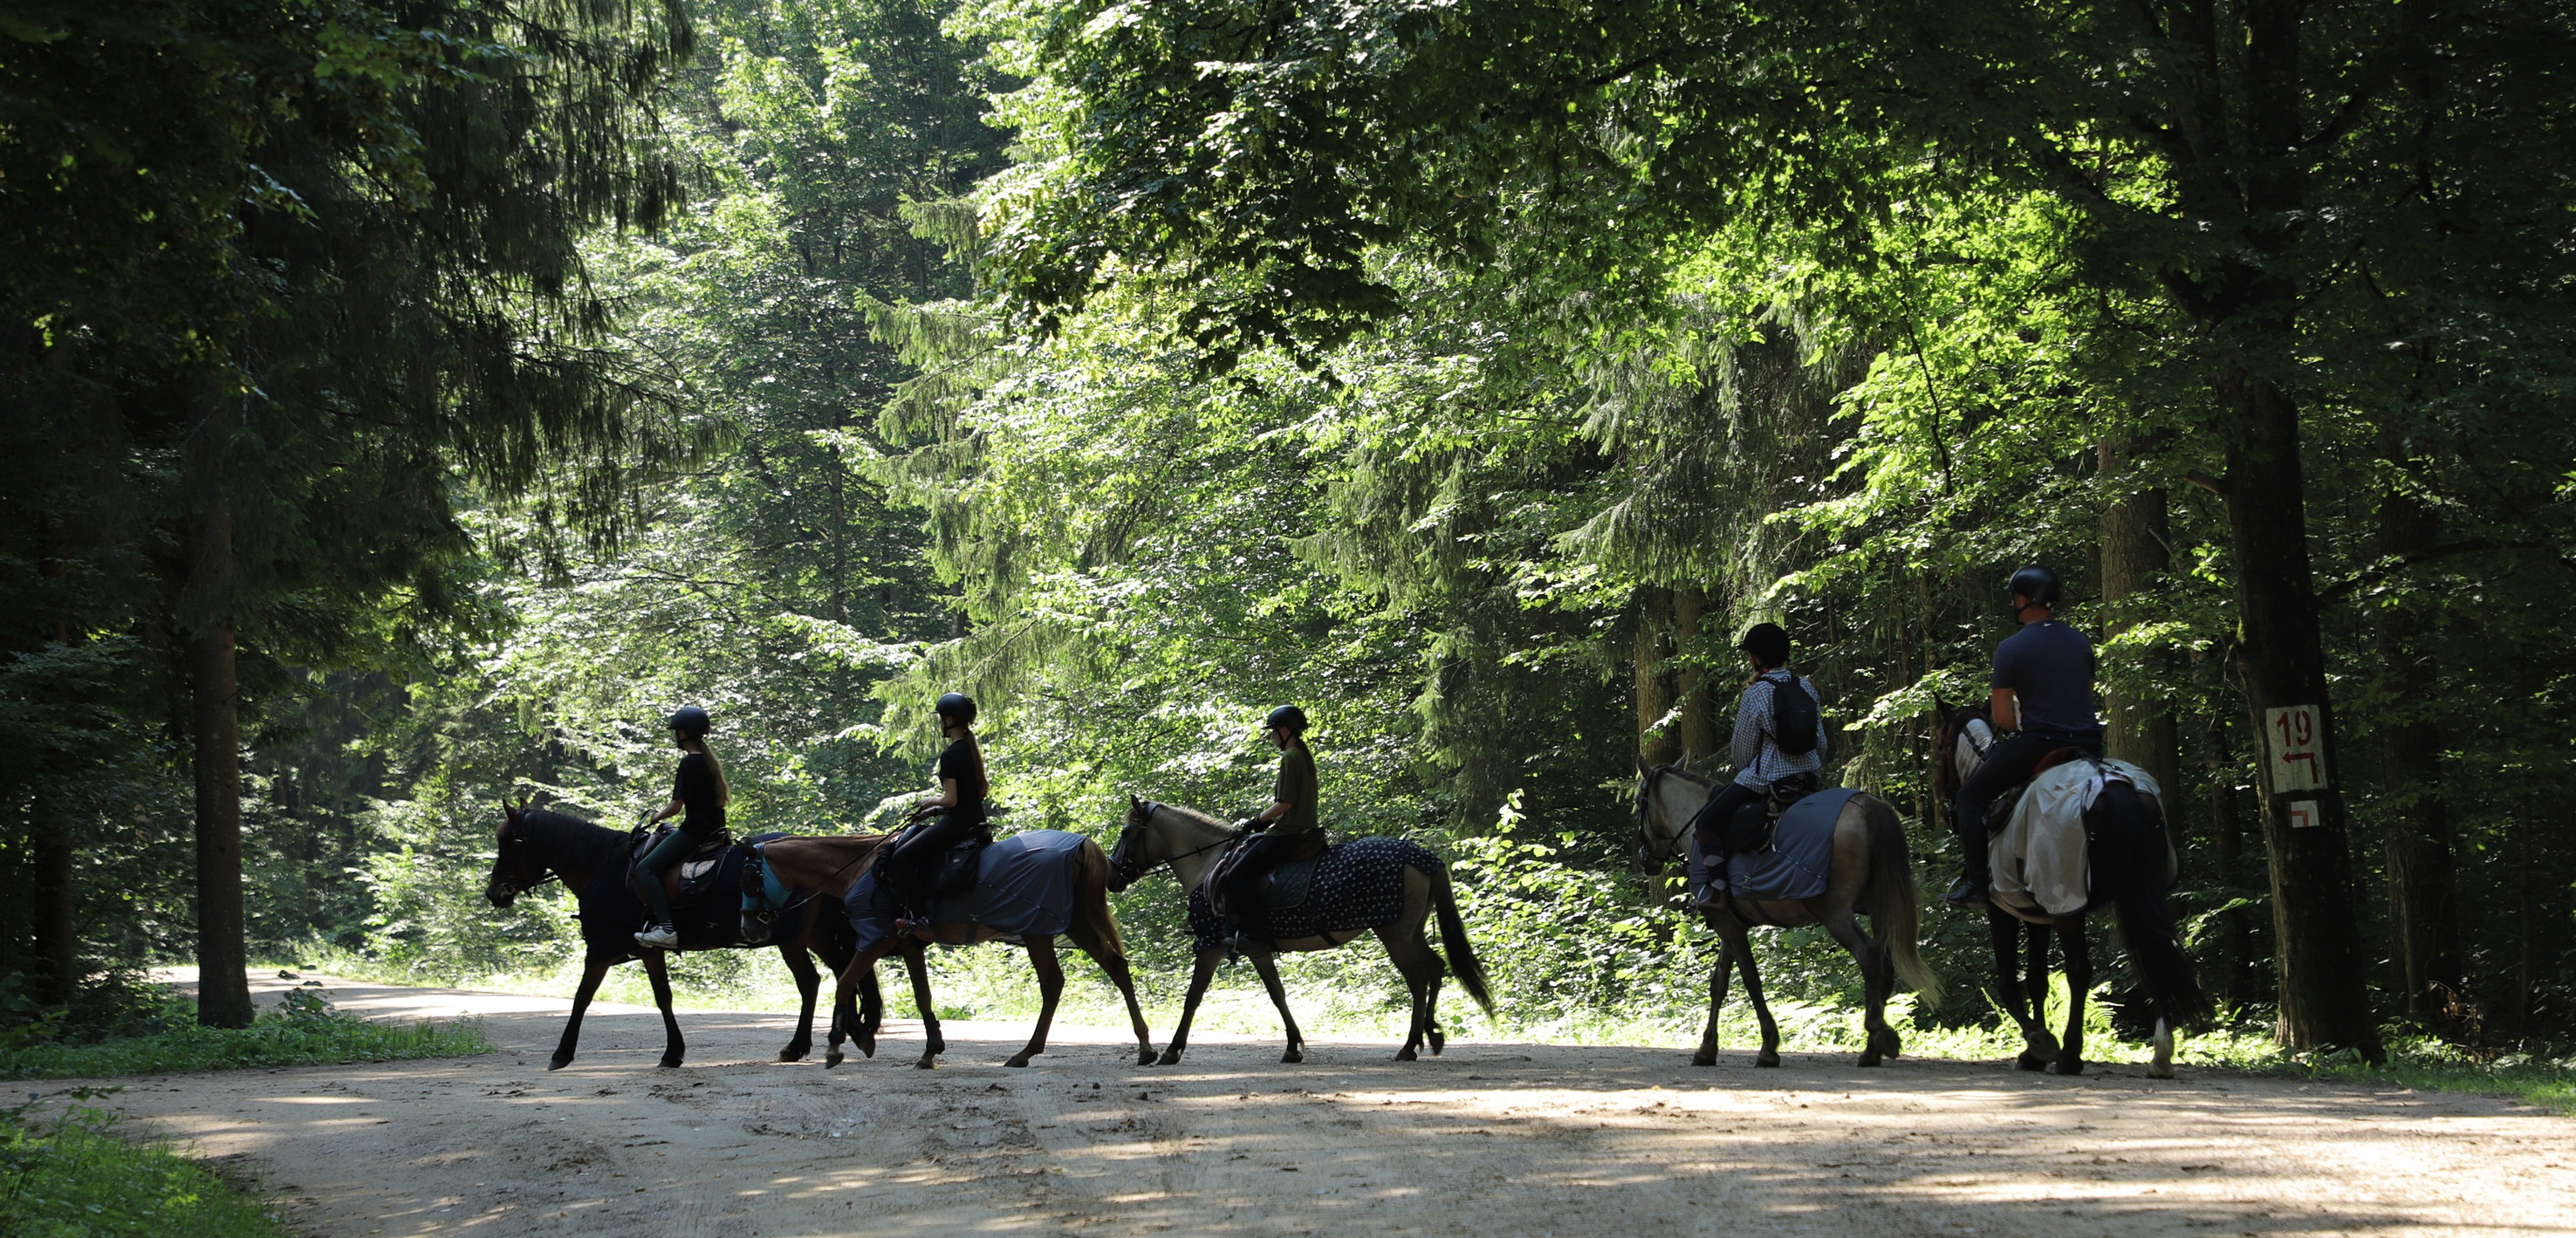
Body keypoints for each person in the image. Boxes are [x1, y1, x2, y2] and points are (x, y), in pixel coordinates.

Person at [1946, 564, 2107, 906]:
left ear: (2022, 599)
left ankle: (1977, 885)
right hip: (2090, 744)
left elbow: (2003, 717)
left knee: (1969, 799)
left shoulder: (2012, 648)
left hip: (2040, 744)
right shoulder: (2080, 641)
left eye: (2014, 598)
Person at [1688, 623, 1827, 908]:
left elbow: (1742, 753)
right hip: (1809, 776)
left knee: (1707, 822)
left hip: (1767, 780)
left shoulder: (1756, 694)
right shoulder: (1806, 686)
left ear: (1757, 657)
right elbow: (1821, 742)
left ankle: (1719, 893)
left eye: (1751, 654)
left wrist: (1754, 770)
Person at [1223, 705, 1325, 948]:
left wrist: (1256, 821)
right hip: (1303, 830)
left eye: (1273, 732)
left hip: (1289, 833)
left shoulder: (1291, 757)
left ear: (1285, 730)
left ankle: (1258, 935)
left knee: (1235, 876)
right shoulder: (1302, 755)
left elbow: (1285, 803)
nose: (1271, 737)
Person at [886, 692, 990, 929]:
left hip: (959, 822)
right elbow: (975, 794)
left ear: (950, 719)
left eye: (941, 718)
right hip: (975, 819)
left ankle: (920, 918)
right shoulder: (970, 750)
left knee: (902, 857)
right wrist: (930, 813)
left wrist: (929, 800)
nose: (940, 723)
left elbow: (951, 800)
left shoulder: (951, 754)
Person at [634, 706, 730, 949]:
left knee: (645, 869)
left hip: (695, 832)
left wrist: (655, 816)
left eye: (676, 731)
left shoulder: (690, 764)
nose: (675, 735)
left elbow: (675, 807)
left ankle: (667, 929)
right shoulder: (708, 762)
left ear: (684, 732)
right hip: (714, 830)